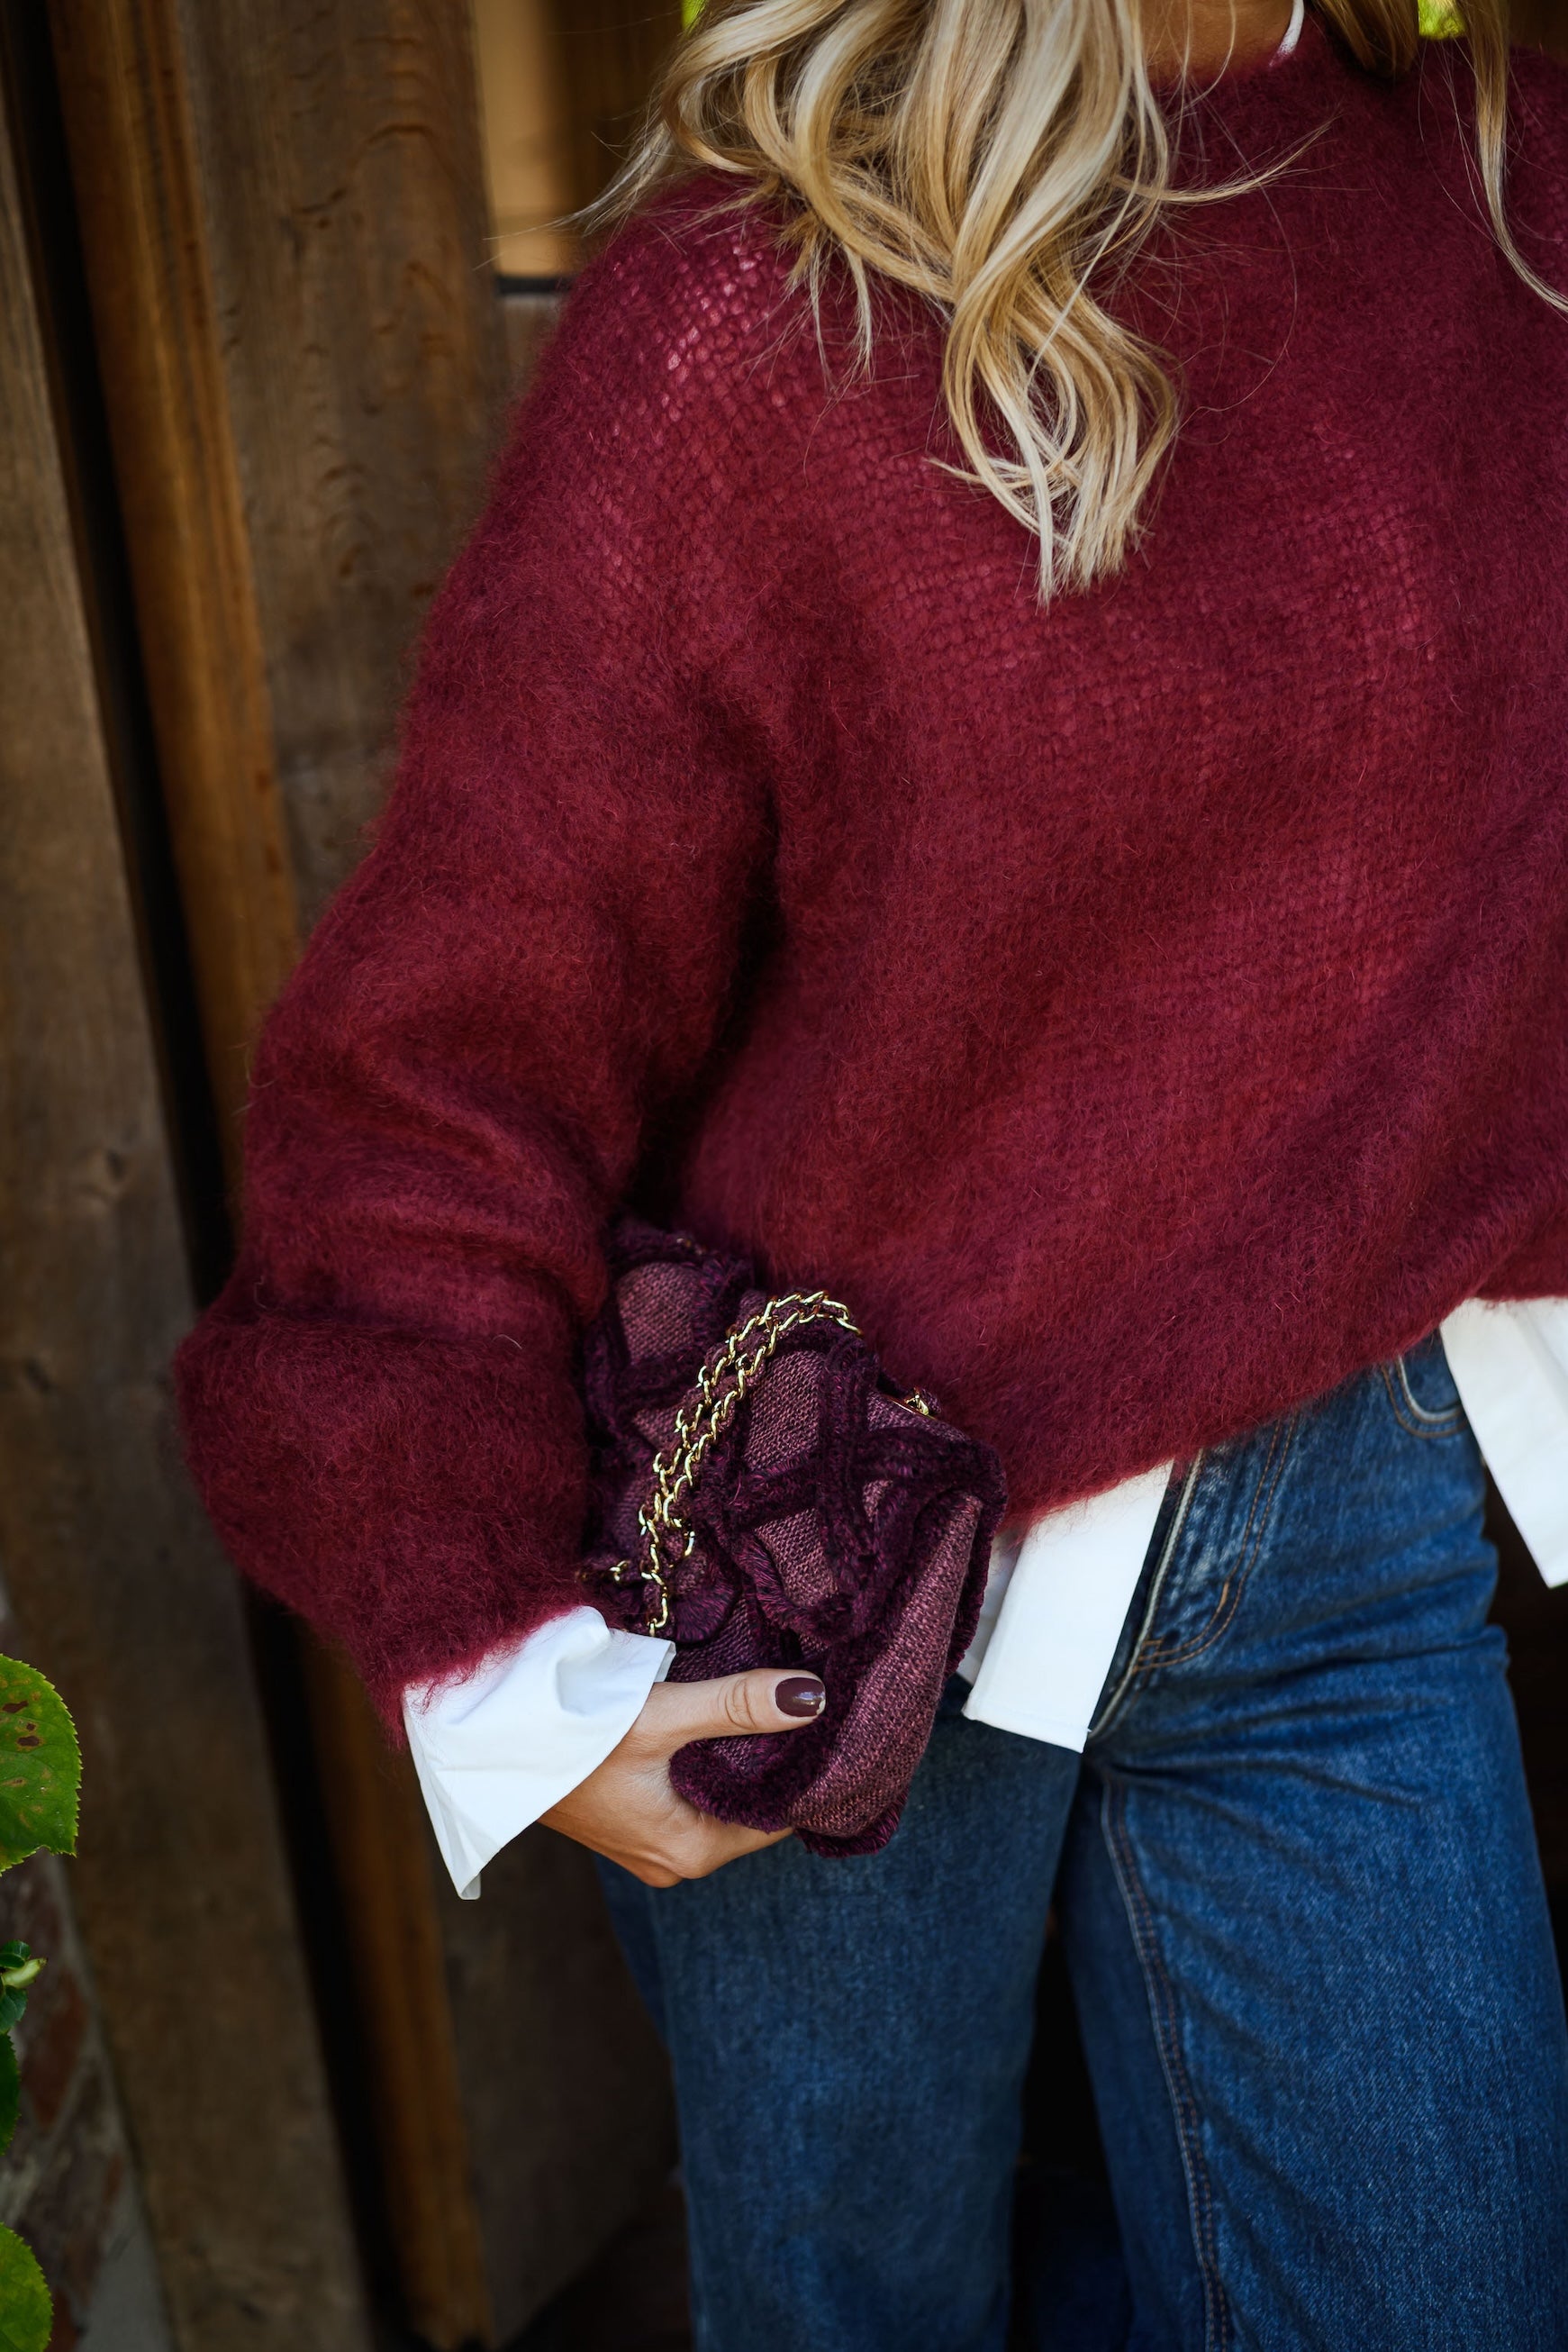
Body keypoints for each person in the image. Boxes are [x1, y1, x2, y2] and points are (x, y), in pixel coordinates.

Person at [176, 0, 1568, 2341]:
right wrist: (517, 1680)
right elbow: (452, 1048)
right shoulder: (756, 309)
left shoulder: (1489, 189)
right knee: (863, 2312)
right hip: (843, 1583)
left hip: (1346, 1511)